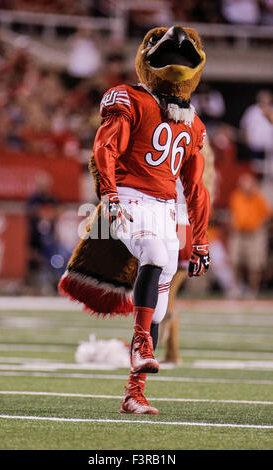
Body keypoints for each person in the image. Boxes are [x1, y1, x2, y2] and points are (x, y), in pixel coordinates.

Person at [92, 25, 211, 414]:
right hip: (128, 197)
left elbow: (195, 187)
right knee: (156, 254)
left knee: (159, 309)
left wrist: (202, 240)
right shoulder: (130, 98)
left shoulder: (193, 122)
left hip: (164, 208)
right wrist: (108, 192)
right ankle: (142, 343)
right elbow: (105, 147)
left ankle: (134, 392)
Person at [229, 173, 271, 297]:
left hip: (254, 235)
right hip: (238, 234)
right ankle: (236, 288)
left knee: (254, 264)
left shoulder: (258, 197)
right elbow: (233, 213)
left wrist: (259, 225)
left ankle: (252, 290)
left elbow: (268, 215)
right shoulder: (236, 195)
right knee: (236, 262)